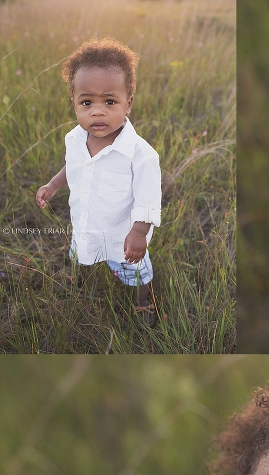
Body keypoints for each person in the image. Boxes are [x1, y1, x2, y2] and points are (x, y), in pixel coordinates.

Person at [36, 38, 161, 324]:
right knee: (83, 251)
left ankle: (143, 303)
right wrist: (53, 184)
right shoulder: (74, 139)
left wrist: (139, 232)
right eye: (87, 102)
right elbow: (74, 167)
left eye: (109, 101)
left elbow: (148, 197)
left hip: (123, 236)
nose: (98, 111)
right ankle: (81, 279)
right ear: (75, 103)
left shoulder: (140, 154)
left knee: (136, 272)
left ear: (128, 103)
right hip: (86, 222)